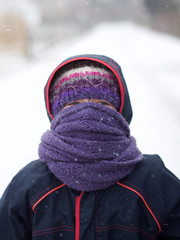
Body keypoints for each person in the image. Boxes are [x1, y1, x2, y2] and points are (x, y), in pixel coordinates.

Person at [0, 54, 179, 240]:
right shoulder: (28, 186)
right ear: (55, 113)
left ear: (119, 111)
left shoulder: (153, 181)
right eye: (73, 104)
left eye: (102, 104)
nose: (87, 113)